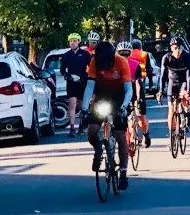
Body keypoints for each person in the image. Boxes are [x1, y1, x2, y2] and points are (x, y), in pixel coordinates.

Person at [82, 40, 134, 190]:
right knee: (92, 132)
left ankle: (123, 173)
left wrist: (124, 106)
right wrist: (85, 108)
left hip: (119, 97)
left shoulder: (121, 62)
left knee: (120, 136)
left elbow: (128, 89)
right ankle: (98, 149)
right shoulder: (94, 62)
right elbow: (90, 87)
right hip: (101, 96)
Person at [157, 36, 190, 140]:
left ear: (181, 48)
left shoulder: (187, 57)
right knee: (171, 109)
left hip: (183, 81)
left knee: (184, 97)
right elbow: (163, 76)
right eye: (174, 48)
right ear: (171, 48)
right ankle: (172, 133)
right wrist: (160, 91)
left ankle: (186, 112)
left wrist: (188, 90)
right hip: (172, 82)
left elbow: (189, 76)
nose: (176, 50)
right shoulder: (167, 58)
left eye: (178, 48)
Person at [116, 41, 151, 149]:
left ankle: (146, 134)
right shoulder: (114, 65)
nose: (124, 56)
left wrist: (139, 99)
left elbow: (138, 82)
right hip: (121, 93)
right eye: (122, 54)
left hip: (136, 92)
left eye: (126, 54)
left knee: (140, 116)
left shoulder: (136, 65)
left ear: (130, 53)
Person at [60, 32, 93, 137]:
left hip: (83, 83)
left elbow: (91, 67)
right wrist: (69, 76)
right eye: (71, 41)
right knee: (72, 104)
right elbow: (62, 70)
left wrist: (86, 77)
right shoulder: (66, 56)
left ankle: (82, 126)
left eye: (74, 41)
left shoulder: (85, 54)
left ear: (78, 42)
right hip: (71, 83)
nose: (72, 43)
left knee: (82, 106)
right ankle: (72, 128)